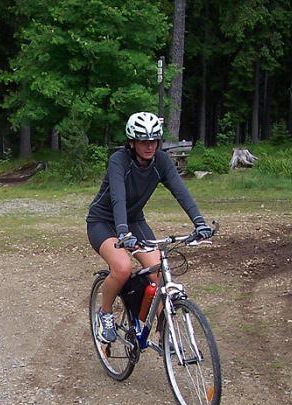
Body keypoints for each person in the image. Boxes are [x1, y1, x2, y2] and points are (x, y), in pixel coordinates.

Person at [86, 111, 213, 343]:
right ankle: (104, 313)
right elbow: (118, 197)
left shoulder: (161, 161)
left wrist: (199, 222)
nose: (150, 146)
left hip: (134, 221)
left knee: (158, 271)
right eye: (144, 141)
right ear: (132, 142)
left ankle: (165, 332)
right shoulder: (119, 161)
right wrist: (122, 232)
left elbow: (181, 191)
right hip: (103, 222)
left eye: (154, 140)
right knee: (122, 268)